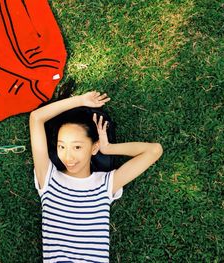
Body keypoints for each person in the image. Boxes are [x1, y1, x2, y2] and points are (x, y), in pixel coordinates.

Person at [29, 91, 163, 262]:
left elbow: (154, 150)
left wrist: (108, 149)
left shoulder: (105, 184)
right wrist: (79, 100)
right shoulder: (48, 179)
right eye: (62, 147)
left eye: (77, 147)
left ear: (93, 148)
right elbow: (36, 118)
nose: (68, 157)